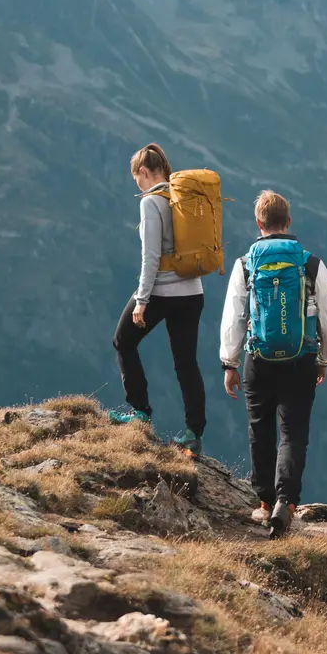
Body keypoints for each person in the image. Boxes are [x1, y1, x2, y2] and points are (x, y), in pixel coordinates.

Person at [219, 190, 327, 536]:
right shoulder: (311, 264)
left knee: (261, 428)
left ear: (259, 224)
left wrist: (230, 362)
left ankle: (265, 503)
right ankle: (287, 501)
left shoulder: (245, 263)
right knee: (293, 433)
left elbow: (234, 316)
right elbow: (326, 317)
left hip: (258, 359)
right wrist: (324, 360)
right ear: (288, 222)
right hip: (300, 359)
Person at [109, 144, 206, 458]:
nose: (136, 184)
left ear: (145, 173)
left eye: (136, 177)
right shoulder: (184, 198)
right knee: (186, 362)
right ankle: (193, 433)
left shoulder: (151, 202)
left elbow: (150, 257)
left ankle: (140, 412)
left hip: (162, 292)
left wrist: (141, 299)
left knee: (123, 341)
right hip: (193, 292)